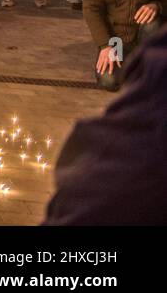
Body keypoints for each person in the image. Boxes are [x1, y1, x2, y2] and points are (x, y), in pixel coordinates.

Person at [44, 24, 167, 225]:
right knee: (110, 80)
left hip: (143, 37)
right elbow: (92, 6)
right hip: (116, 39)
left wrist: (156, 6)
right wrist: (105, 45)